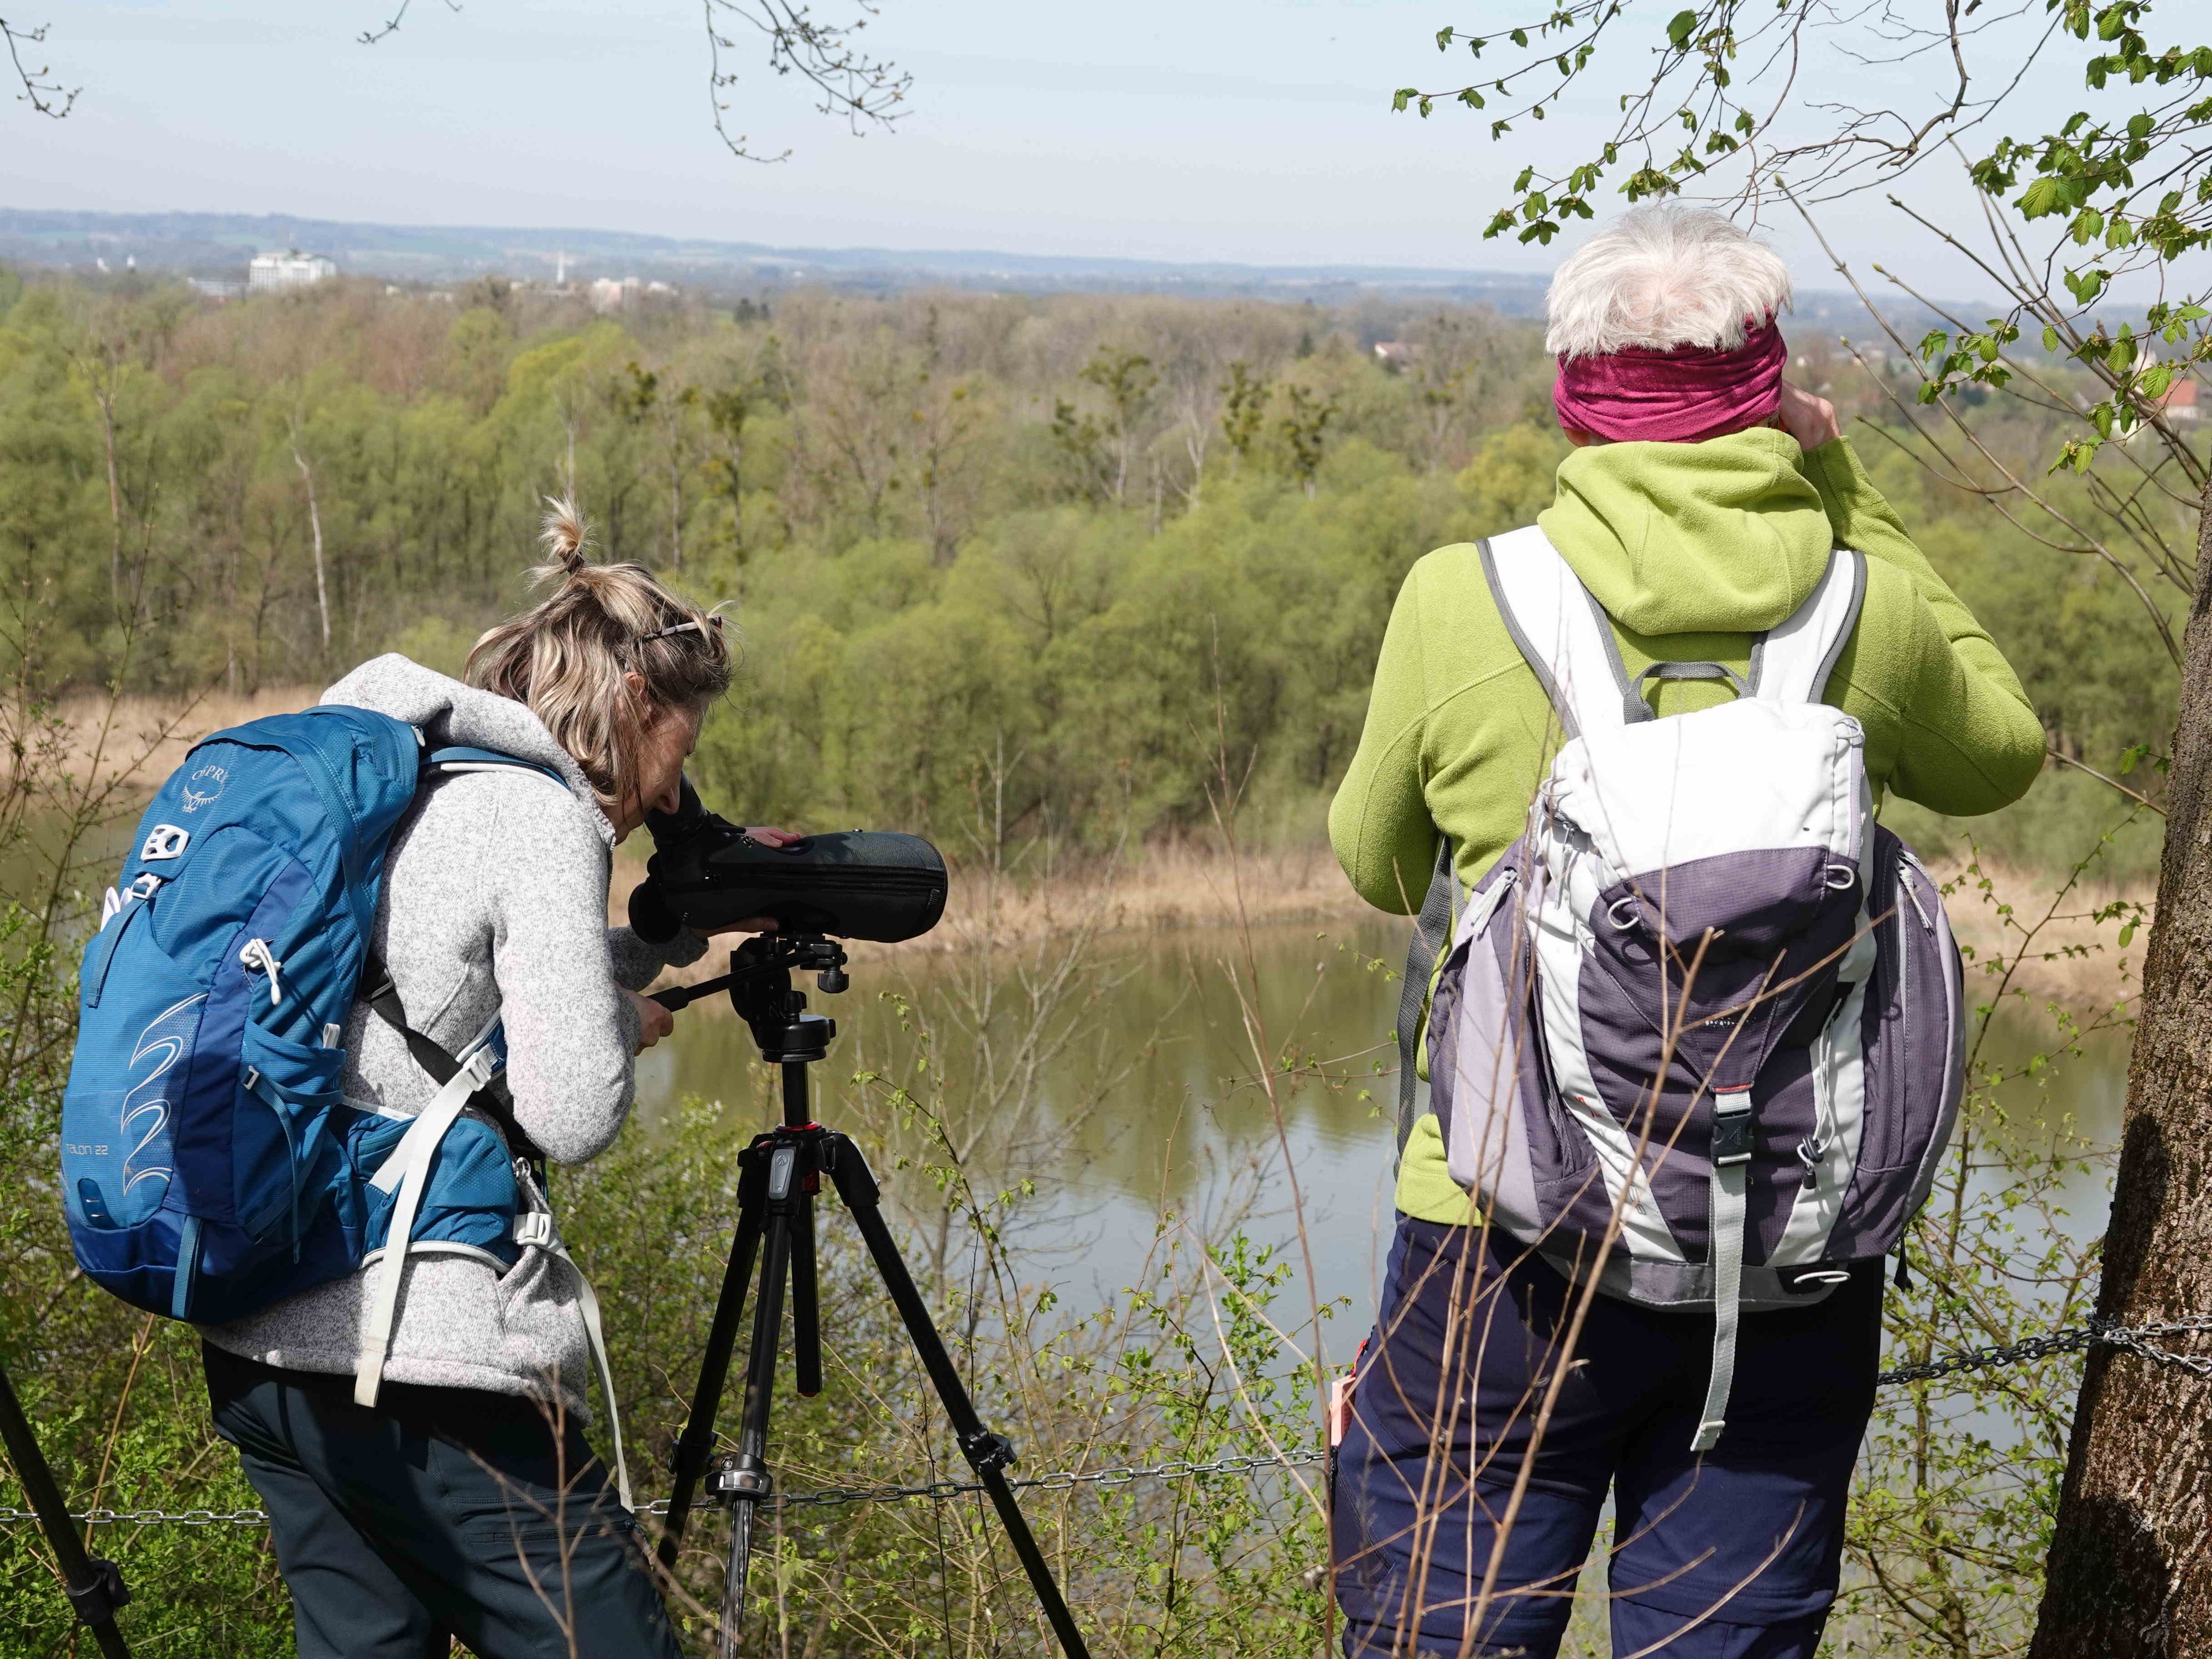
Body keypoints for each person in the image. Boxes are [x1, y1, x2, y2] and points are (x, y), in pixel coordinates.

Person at [1326, 206, 2045, 1658]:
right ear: (1770, 387)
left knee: (1441, 1636)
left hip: (1497, 1232)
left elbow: (1375, 862)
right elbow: (2006, 753)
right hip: (1781, 1249)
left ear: (1574, 397)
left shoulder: (1465, 598)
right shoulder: (1870, 615)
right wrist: (1844, 485)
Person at [199, 501, 789, 1658]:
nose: (679, 781)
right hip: (420, 1365)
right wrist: (619, 1029)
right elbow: (570, 1112)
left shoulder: (409, 784)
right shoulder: (535, 818)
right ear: (636, 705)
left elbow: (434, 1012)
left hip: (262, 1340)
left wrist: (658, 950)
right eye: (685, 742)